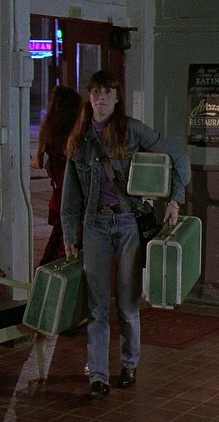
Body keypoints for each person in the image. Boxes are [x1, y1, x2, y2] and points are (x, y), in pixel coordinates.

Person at [61, 70, 190, 398]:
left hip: (128, 222)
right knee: (97, 306)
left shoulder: (132, 130)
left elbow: (178, 158)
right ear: (89, 98)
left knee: (127, 302)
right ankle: (98, 375)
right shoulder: (79, 138)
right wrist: (69, 235)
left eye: (107, 93)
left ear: (117, 98)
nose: (101, 99)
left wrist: (174, 199)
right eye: (96, 93)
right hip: (95, 225)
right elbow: (70, 195)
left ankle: (129, 364)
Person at [33, 86, 83, 266]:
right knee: (72, 245)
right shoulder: (76, 136)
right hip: (74, 197)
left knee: (58, 242)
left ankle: (50, 273)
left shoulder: (48, 131)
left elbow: (40, 163)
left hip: (58, 195)